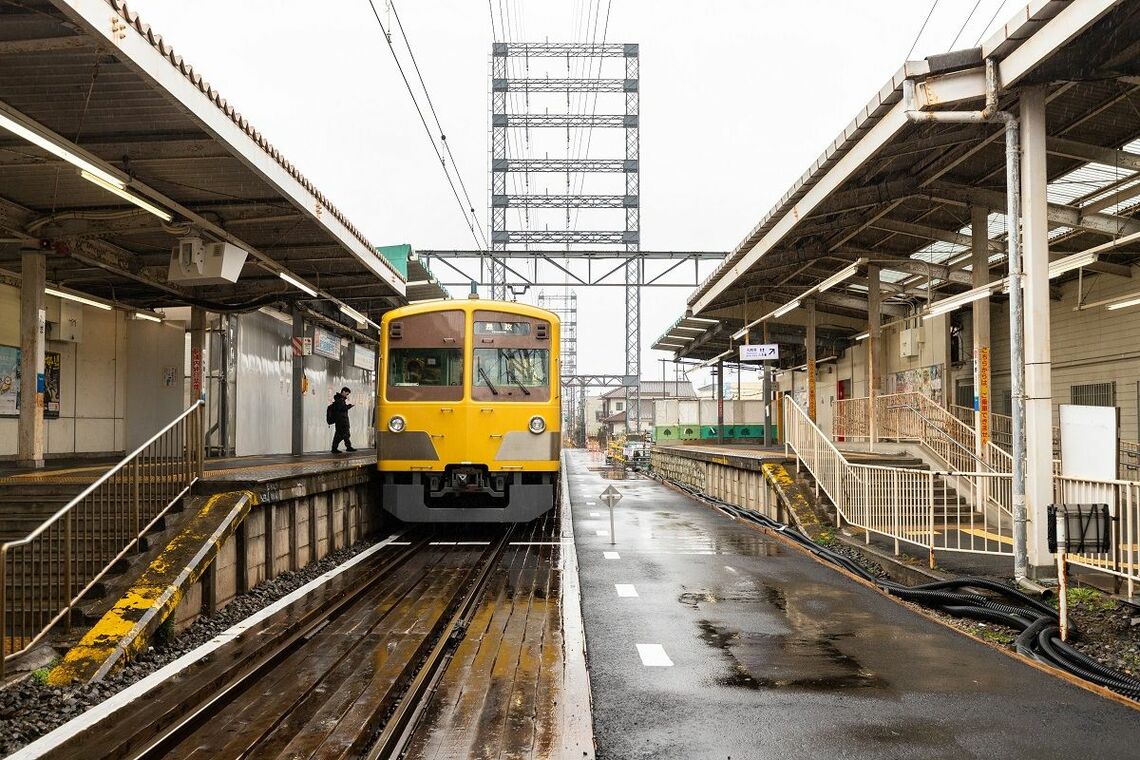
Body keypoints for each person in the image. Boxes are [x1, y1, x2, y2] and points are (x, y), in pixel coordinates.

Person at [330, 386, 356, 453]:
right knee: (345, 434)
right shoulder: (340, 400)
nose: (347, 395)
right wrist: (349, 406)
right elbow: (342, 408)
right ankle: (348, 447)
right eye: (347, 394)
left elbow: (342, 408)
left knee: (340, 435)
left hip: (341, 421)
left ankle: (334, 448)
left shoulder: (340, 399)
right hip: (342, 421)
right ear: (343, 392)